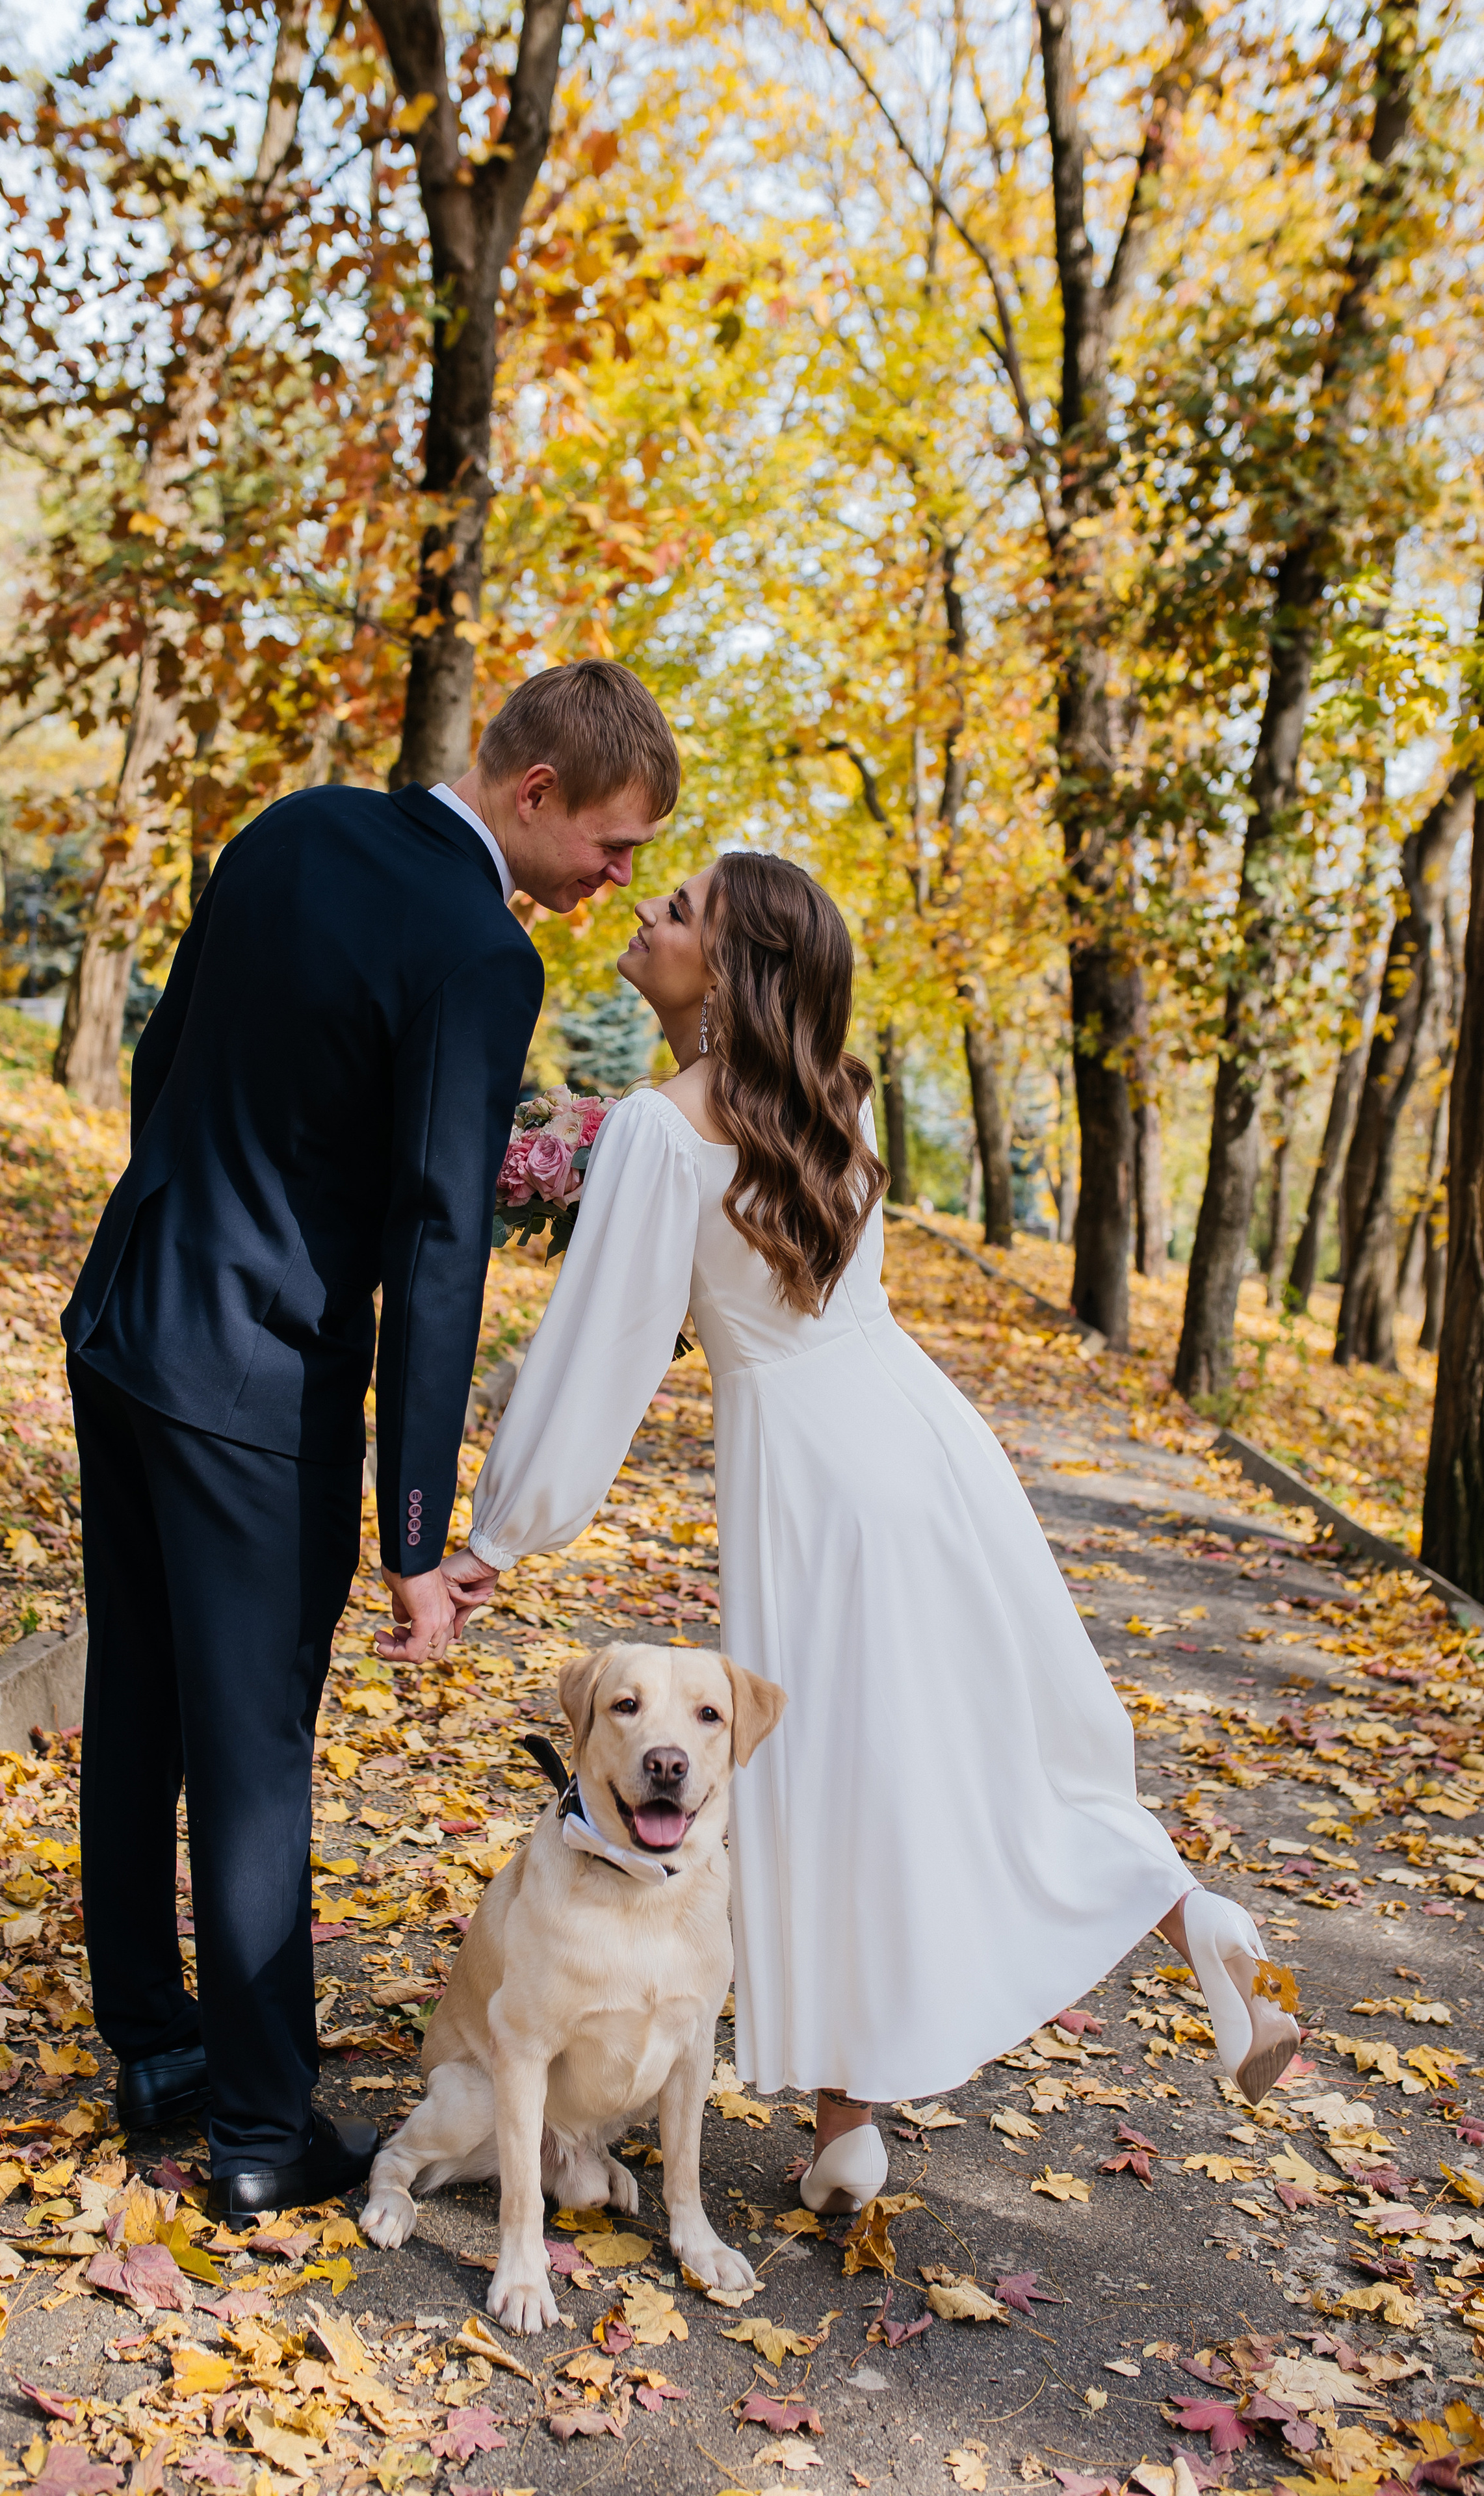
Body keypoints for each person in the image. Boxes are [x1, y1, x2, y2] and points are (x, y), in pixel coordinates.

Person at [446, 852, 1300, 2218]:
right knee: (951, 1749)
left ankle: (858, 2107)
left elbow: (603, 1351)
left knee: (824, 1784)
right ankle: (1172, 1924)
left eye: (681, 911)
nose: (648, 912)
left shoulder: (663, 1129)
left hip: (811, 1482)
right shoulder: (829, 1110)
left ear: (731, 974)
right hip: (925, 1438)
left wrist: (503, 1530)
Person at [62, 661, 680, 2220]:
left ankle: (158, 2048)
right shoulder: (478, 950)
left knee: (137, 1701)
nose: (617, 877)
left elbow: (163, 1059)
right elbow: (437, 1244)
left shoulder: (294, 827)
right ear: (532, 792)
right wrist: (416, 1533)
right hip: (252, 1385)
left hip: (129, 1316)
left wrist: (183, 1232)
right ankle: (262, 2131)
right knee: (254, 1753)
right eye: (610, 844)